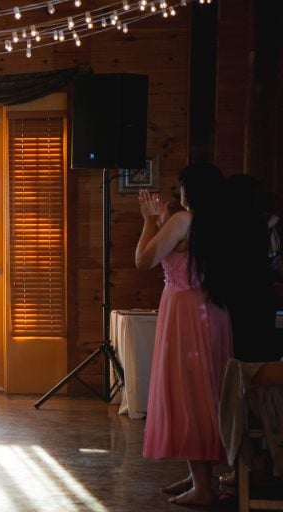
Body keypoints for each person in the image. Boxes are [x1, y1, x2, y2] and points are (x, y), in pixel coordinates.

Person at [135, 163, 234, 506]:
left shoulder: (184, 220)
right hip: (213, 312)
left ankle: (204, 488)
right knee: (206, 390)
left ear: (189, 191)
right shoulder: (217, 223)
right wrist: (165, 223)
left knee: (189, 392)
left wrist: (149, 221)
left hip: (185, 314)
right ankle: (199, 476)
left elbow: (144, 259)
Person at [225, 174, 278, 363]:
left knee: (239, 355)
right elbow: (271, 260)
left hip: (237, 297)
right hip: (256, 296)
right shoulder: (259, 224)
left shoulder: (228, 224)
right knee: (257, 354)